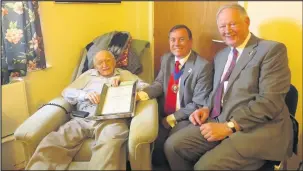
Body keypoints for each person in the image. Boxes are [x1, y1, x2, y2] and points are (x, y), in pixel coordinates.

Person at [164, 3, 293, 170]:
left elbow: (270, 102)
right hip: (219, 119)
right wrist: (206, 108)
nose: (227, 30)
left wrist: (229, 127)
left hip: (255, 129)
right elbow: (219, 91)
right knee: (172, 146)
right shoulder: (221, 55)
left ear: (246, 22)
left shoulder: (271, 51)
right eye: (222, 26)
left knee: (204, 167)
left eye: (232, 24)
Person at [25, 50, 149, 170]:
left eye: (108, 61)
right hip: (82, 119)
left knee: (109, 146)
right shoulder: (88, 75)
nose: (105, 65)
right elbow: (66, 92)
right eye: (100, 62)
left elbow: (146, 87)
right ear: (95, 65)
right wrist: (84, 95)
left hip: (112, 120)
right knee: (52, 142)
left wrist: (124, 84)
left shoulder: (124, 74)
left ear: (114, 62)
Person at [137, 25, 213, 167]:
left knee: (169, 146)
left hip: (185, 117)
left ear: (190, 42)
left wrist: (171, 118)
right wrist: (141, 95)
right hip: (164, 113)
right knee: (152, 145)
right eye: (173, 40)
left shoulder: (202, 66)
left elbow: (198, 103)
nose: (176, 44)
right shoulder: (167, 58)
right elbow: (159, 83)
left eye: (181, 39)